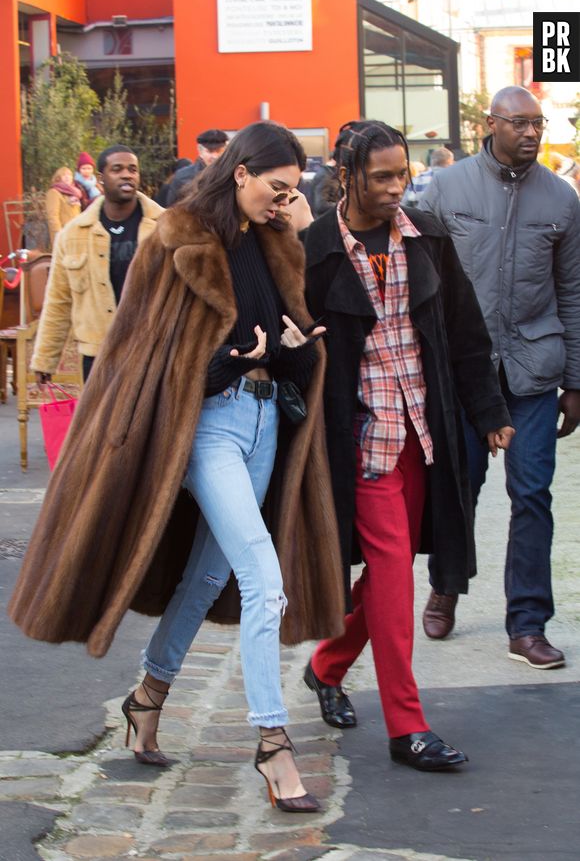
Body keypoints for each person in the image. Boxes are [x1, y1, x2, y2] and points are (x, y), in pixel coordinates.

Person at [9, 121, 345, 812]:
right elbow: (140, 354)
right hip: (206, 430)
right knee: (263, 577)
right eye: (276, 190)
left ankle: (148, 696)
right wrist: (229, 361)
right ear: (242, 171)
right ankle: (273, 743)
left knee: (211, 572)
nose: (283, 204)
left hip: (262, 425)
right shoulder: (178, 238)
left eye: (292, 195)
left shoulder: (279, 241)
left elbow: (301, 344)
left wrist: (290, 347)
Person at [301, 119, 513, 771]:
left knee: (394, 575)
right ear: (347, 175)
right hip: (360, 437)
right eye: (384, 176)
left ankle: (326, 664)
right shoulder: (314, 249)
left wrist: (488, 409)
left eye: (404, 175)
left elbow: (464, 329)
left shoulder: (428, 238)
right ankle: (407, 726)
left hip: (427, 431)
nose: (400, 188)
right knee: (392, 571)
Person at [419, 86, 580, 668]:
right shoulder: (447, 188)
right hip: (464, 370)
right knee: (460, 488)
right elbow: (422, 283)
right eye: (520, 123)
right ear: (491, 124)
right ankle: (446, 584)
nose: (532, 133)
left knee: (532, 494)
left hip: (534, 373)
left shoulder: (562, 200)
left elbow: (573, 292)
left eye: (539, 124)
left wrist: (577, 382)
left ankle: (528, 623)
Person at [32, 144, 163, 385]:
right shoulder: (72, 235)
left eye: (132, 169)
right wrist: (45, 359)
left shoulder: (164, 226)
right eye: (118, 169)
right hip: (98, 354)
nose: (127, 174)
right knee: (99, 424)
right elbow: (58, 301)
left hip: (153, 351)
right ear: (100, 179)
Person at [166, 128, 229, 205]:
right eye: (210, 151)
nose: (215, 156)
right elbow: (172, 209)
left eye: (219, 151)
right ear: (200, 151)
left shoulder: (232, 176)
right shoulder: (182, 177)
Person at [45, 167, 82, 247]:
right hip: (63, 237)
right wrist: (59, 235)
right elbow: (52, 216)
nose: (67, 177)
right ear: (58, 178)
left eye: (69, 175)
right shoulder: (54, 192)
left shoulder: (74, 194)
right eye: (64, 175)